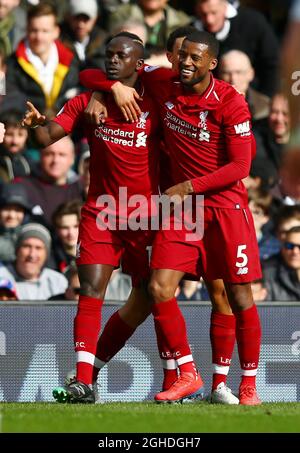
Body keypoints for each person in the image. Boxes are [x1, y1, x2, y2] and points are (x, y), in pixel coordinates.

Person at [80, 30, 262, 405]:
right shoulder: (166, 84)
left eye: (194, 57)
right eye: (182, 56)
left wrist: (190, 187)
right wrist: (107, 89)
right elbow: (99, 71)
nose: (186, 63)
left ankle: (243, 385)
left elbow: (241, 165)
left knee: (235, 295)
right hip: (181, 211)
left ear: (213, 62)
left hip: (223, 208)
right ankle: (188, 372)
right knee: (158, 288)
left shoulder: (231, 102)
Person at [22, 32, 202, 404]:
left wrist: (111, 87)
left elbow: (177, 78)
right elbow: (47, 139)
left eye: (121, 55)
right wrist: (36, 126)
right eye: (109, 54)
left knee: (149, 297)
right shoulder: (89, 103)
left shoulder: (156, 99)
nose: (112, 60)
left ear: (139, 64)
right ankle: (84, 381)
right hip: (101, 213)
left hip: (146, 216)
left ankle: (183, 376)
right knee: (90, 290)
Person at [0, 222, 68, 300]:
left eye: (38, 248)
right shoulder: (1, 275)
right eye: (27, 246)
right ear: (17, 250)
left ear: (46, 254)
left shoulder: (57, 281)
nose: (32, 255)